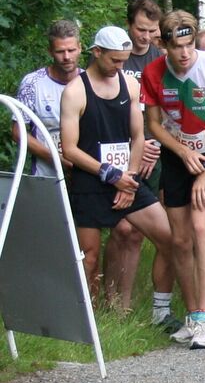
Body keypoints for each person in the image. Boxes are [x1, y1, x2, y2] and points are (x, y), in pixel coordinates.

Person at [58, 26, 187, 335]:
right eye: (114, 60)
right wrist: (109, 175)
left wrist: (128, 176)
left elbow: (138, 134)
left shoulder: (128, 84)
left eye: (124, 61)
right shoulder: (75, 91)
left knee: (170, 238)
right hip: (92, 180)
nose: (120, 66)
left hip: (126, 177)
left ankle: (158, 309)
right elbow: (70, 148)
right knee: (87, 257)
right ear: (97, 53)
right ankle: (88, 321)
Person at [143, 10, 205, 349]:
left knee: (202, 229)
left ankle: (203, 319)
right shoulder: (153, 72)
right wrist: (182, 154)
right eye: (177, 46)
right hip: (176, 153)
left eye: (189, 44)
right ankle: (191, 312)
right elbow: (153, 123)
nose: (184, 53)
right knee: (180, 240)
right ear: (162, 44)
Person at [102, 0, 167, 315]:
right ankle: (108, 299)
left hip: (153, 154)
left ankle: (123, 307)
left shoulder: (162, 60)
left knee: (136, 231)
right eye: (140, 29)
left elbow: (167, 109)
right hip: (117, 154)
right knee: (120, 228)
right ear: (129, 25)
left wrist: (154, 145)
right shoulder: (117, 59)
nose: (145, 36)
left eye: (151, 30)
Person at [14, 20, 83, 178]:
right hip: (45, 174)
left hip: (84, 174)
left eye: (71, 50)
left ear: (80, 48)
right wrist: (56, 158)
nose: (66, 57)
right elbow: (18, 132)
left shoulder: (89, 82)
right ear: (50, 51)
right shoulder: (33, 83)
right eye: (60, 51)